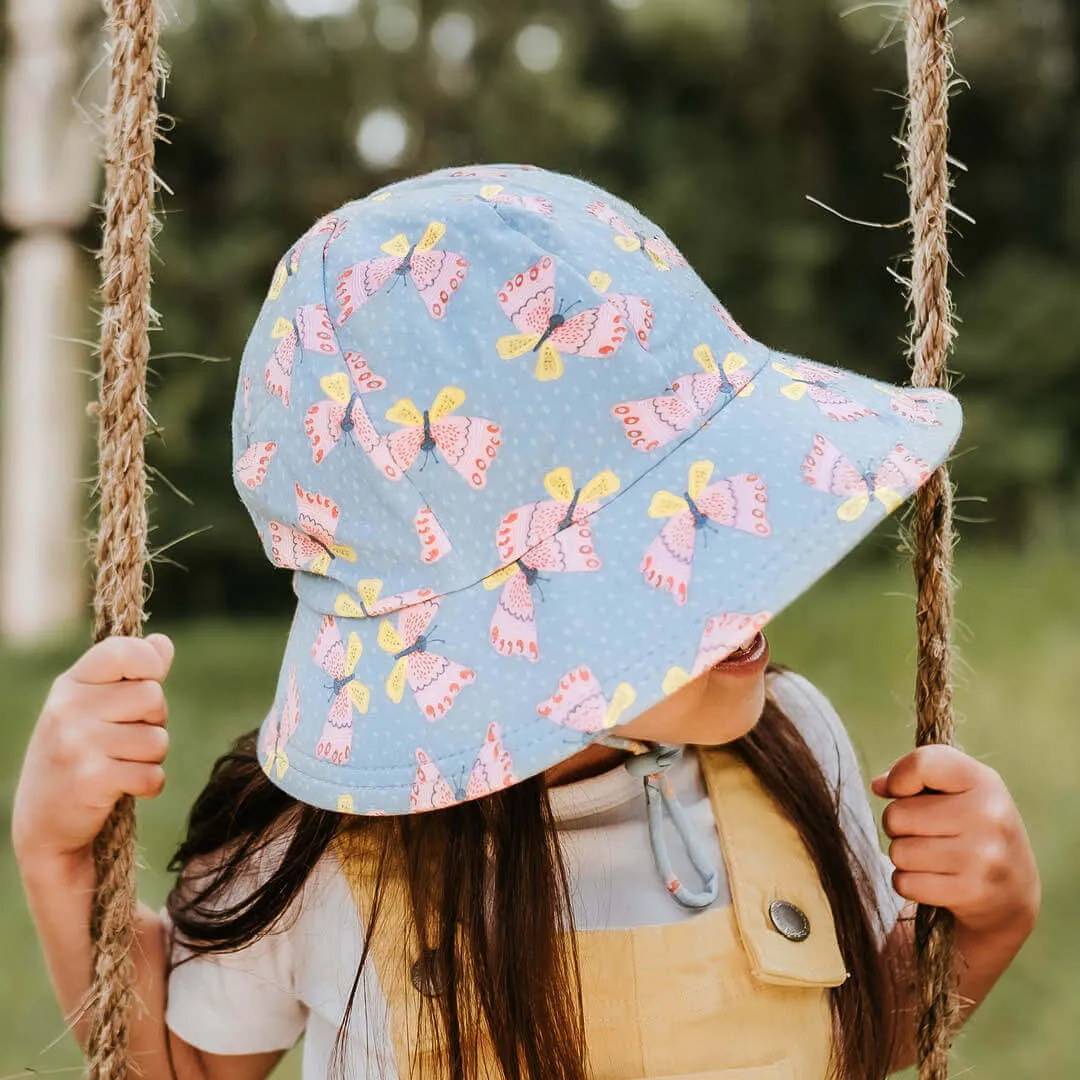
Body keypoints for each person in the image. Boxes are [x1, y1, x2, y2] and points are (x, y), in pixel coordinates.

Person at [13, 165, 1039, 1080]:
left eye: (724, 515)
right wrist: (60, 863)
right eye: (667, 554)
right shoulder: (323, 848)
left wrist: (983, 925)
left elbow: (860, 1036)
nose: (741, 583)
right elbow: (189, 1065)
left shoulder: (797, 755)